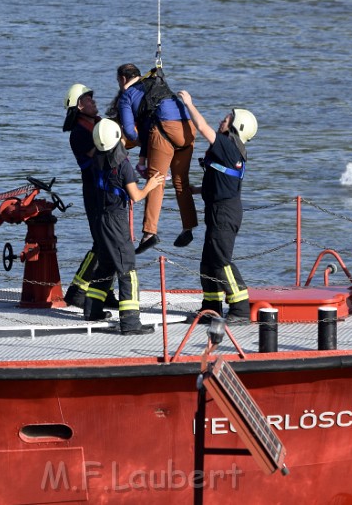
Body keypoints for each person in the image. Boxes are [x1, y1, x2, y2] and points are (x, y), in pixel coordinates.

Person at [177, 90, 256, 325]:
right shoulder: (229, 150)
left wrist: (189, 104)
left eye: (227, 118)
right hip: (218, 209)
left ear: (235, 128)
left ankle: (240, 308)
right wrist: (197, 191)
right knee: (208, 262)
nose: (222, 119)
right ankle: (210, 307)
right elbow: (224, 182)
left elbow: (202, 127)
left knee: (221, 260)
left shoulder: (227, 146)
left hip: (224, 213)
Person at [86, 118, 166, 334]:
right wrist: (151, 184)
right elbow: (136, 196)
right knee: (127, 269)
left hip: (100, 218)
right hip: (116, 222)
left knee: (105, 265)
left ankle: (92, 310)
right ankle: (130, 323)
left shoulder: (96, 160)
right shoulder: (123, 166)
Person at [114, 63, 198, 253]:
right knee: (181, 181)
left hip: (164, 129)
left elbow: (128, 130)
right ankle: (188, 227)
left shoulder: (126, 95)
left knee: (156, 180)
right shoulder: (155, 82)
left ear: (122, 79)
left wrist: (141, 144)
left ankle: (149, 234)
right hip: (188, 128)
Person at [61, 83, 110, 309]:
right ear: (80, 105)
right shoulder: (79, 134)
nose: (94, 102)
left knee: (111, 243)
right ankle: (76, 291)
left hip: (108, 189)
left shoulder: (99, 124)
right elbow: (102, 150)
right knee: (101, 242)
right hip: (94, 191)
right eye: (89, 99)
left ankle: (103, 292)